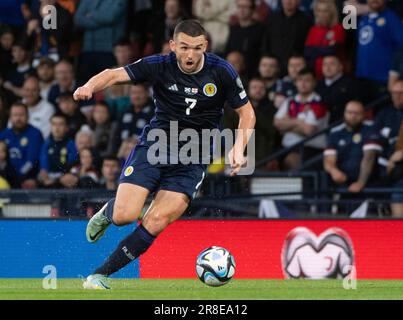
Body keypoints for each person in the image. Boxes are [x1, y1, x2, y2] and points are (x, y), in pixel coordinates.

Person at [73, 20, 255, 289]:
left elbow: (247, 112)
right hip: (157, 146)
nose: (190, 55)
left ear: (205, 46)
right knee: (125, 215)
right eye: (184, 48)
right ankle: (108, 213)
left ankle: (99, 275)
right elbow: (112, 74)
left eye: (196, 48)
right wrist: (89, 86)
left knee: (156, 220)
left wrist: (239, 148)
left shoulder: (222, 71)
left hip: (194, 156)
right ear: (173, 46)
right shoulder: (159, 64)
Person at [324, 101, 383, 194]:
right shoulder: (335, 133)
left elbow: (369, 158)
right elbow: (328, 159)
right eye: (349, 112)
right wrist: (333, 171)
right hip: (343, 185)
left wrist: (360, 182)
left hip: (368, 186)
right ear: (344, 113)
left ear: (363, 114)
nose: (353, 116)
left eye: (357, 113)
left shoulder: (371, 131)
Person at [274, 68, 328, 170]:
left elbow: (308, 131)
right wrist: (298, 122)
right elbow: (277, 124)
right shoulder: (290, 101)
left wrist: (288, 125)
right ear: (295, 83)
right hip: (287, 148)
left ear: (314, 83)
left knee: (291, 161)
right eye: (300, 80)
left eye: (307, 80)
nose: (303, 83)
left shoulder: (318, 104)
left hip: (311, 150)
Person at [356, 0, 403, 104]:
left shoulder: (392, 19)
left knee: (380, 113)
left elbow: (401, 47)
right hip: (362, 76)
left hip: (382, 78)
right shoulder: (363, 19)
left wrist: (394, 73)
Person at [0, 102, 43, 189]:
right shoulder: (4, 134)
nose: (18, 118)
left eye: (21, 115)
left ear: (28, 116)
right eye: (15, 115)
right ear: (10, 117)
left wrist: (16, 177)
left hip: (28, 179)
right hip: (7, 178)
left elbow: (31, 161)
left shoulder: (35, 134)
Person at [262, 0, 312, 74]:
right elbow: (265, 41)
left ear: (299, 1)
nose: (288, 1)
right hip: (273, 66)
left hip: (295, 68)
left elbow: (307, 46)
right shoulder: (272, 18)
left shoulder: (306, 20)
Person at [304, 0, 345, 79]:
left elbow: (332, 50)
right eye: (319, 11)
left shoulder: (338, 28)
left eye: (325, 11)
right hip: (316, 75)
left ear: (331, 13)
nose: (321, 14)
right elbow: (307, 52)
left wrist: (314, 49)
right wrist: (324, 48)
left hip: (334, 75)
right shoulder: (313, 29)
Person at [225, 0, 265, 78]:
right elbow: (228, 51)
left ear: (252, 10)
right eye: (239, 7)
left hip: (252, 73)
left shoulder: (261, 29)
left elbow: (261, 52)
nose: (241, 10)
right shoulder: (234, 28)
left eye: (245, 7)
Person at [38, 114, 78, 188]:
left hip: (65, 179)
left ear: (66, 128)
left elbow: (73, 163)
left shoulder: (71, 144)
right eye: (54, 124)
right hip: (49, 180)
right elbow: (44, 165)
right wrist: (43, 173)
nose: (57, 127)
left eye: (60, 124)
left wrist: (60, 178)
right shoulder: (46, 144)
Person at [316, 55, 357, 123]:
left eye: (332, 64)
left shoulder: (350, 84)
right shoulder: (317, 84)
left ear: (340, 67)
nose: (327, 68)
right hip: (319, 124)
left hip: (342, 123)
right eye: (325, 64)